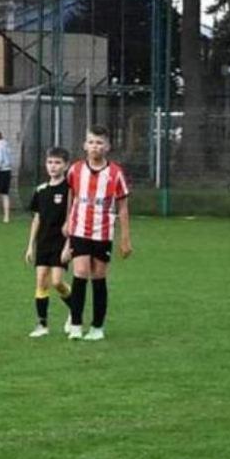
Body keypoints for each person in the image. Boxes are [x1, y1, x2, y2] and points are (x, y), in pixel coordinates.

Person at [61, 125, 133, 341]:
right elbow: (71, 198)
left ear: (107, 147)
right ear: (85, 145)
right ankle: (75, 324)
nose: (95, 146)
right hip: (80, 230)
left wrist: (125, 238)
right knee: (80, 273)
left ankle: (97, 327)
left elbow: (123, 207)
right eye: (91, 142)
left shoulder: (115, 173)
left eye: (99, 143)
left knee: (99, 277)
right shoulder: (75, 170)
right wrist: (67, 223)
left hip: (102, 232)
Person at [24, 147, 73, 337]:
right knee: (41, 280)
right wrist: (30, 245)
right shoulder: (41, 190)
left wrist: (69, 244)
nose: (53, 166)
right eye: (50, 162)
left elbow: (72, 218)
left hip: (61, 242)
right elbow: (37, 219)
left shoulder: (69, 190)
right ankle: (42, 325)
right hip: (43, 242)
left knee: (57, 282)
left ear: (66, 165)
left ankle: (74, 308)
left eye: (58, 163)